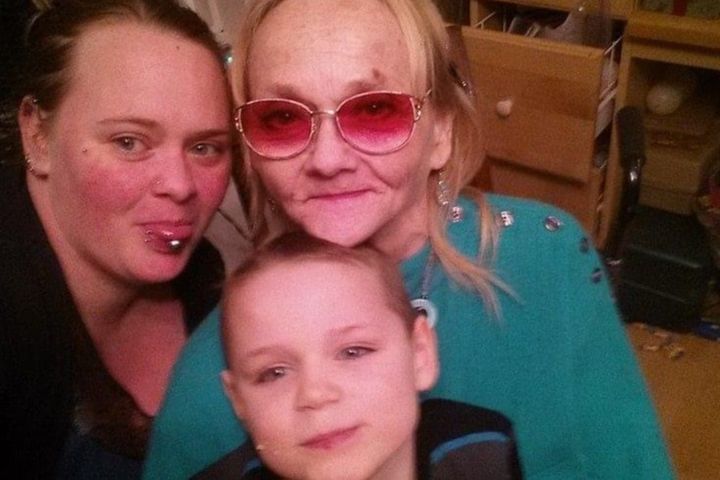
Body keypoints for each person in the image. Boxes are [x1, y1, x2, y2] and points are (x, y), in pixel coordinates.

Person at [145, 0, 676, 479]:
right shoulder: (209, 381)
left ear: (441, 130)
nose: (328, 159)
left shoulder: (549, 260)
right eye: (281, 118)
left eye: (375, 109)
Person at [0, 0, 234, 477]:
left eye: (204, 147)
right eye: (129, 142)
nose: (180, 185)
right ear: (37, 135)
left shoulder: (201, 274)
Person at [194, 232, 522, 480]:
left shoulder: (479, 450)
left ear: (419, 354)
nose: (315, 394)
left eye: (353, 352)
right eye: (274, 373)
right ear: (238, 400)